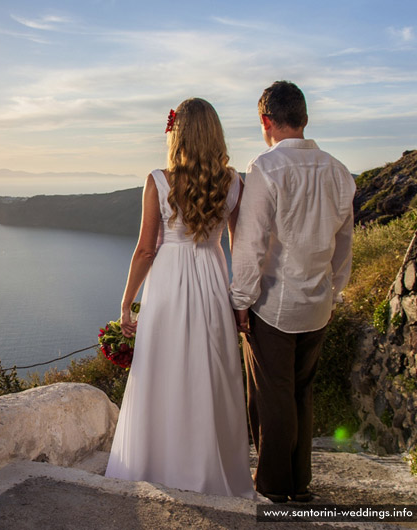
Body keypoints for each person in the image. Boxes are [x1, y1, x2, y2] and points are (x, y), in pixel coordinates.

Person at [105, 98, 255, 499]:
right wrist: (239, 302)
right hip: (210, 280)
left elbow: (146, 250)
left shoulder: (159, 179)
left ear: (178, 133)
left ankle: (158, 462)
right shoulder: (234, 181)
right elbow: (240, 250)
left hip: (168, 285)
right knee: (210, 372)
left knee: (163, 370)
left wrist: (125, 303)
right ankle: (208, 467)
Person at [230, 81, 355, 503]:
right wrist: (333, 291)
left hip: (274, 305)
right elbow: (344, 244)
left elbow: (251, 243)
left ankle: (274, 486)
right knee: (301, 392)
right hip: (317, 304)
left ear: (265, 121)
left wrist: (241, 301)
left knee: (272, 396)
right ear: (304, 117)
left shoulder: (266, 168)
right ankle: (299, 483)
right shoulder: (338, 170)